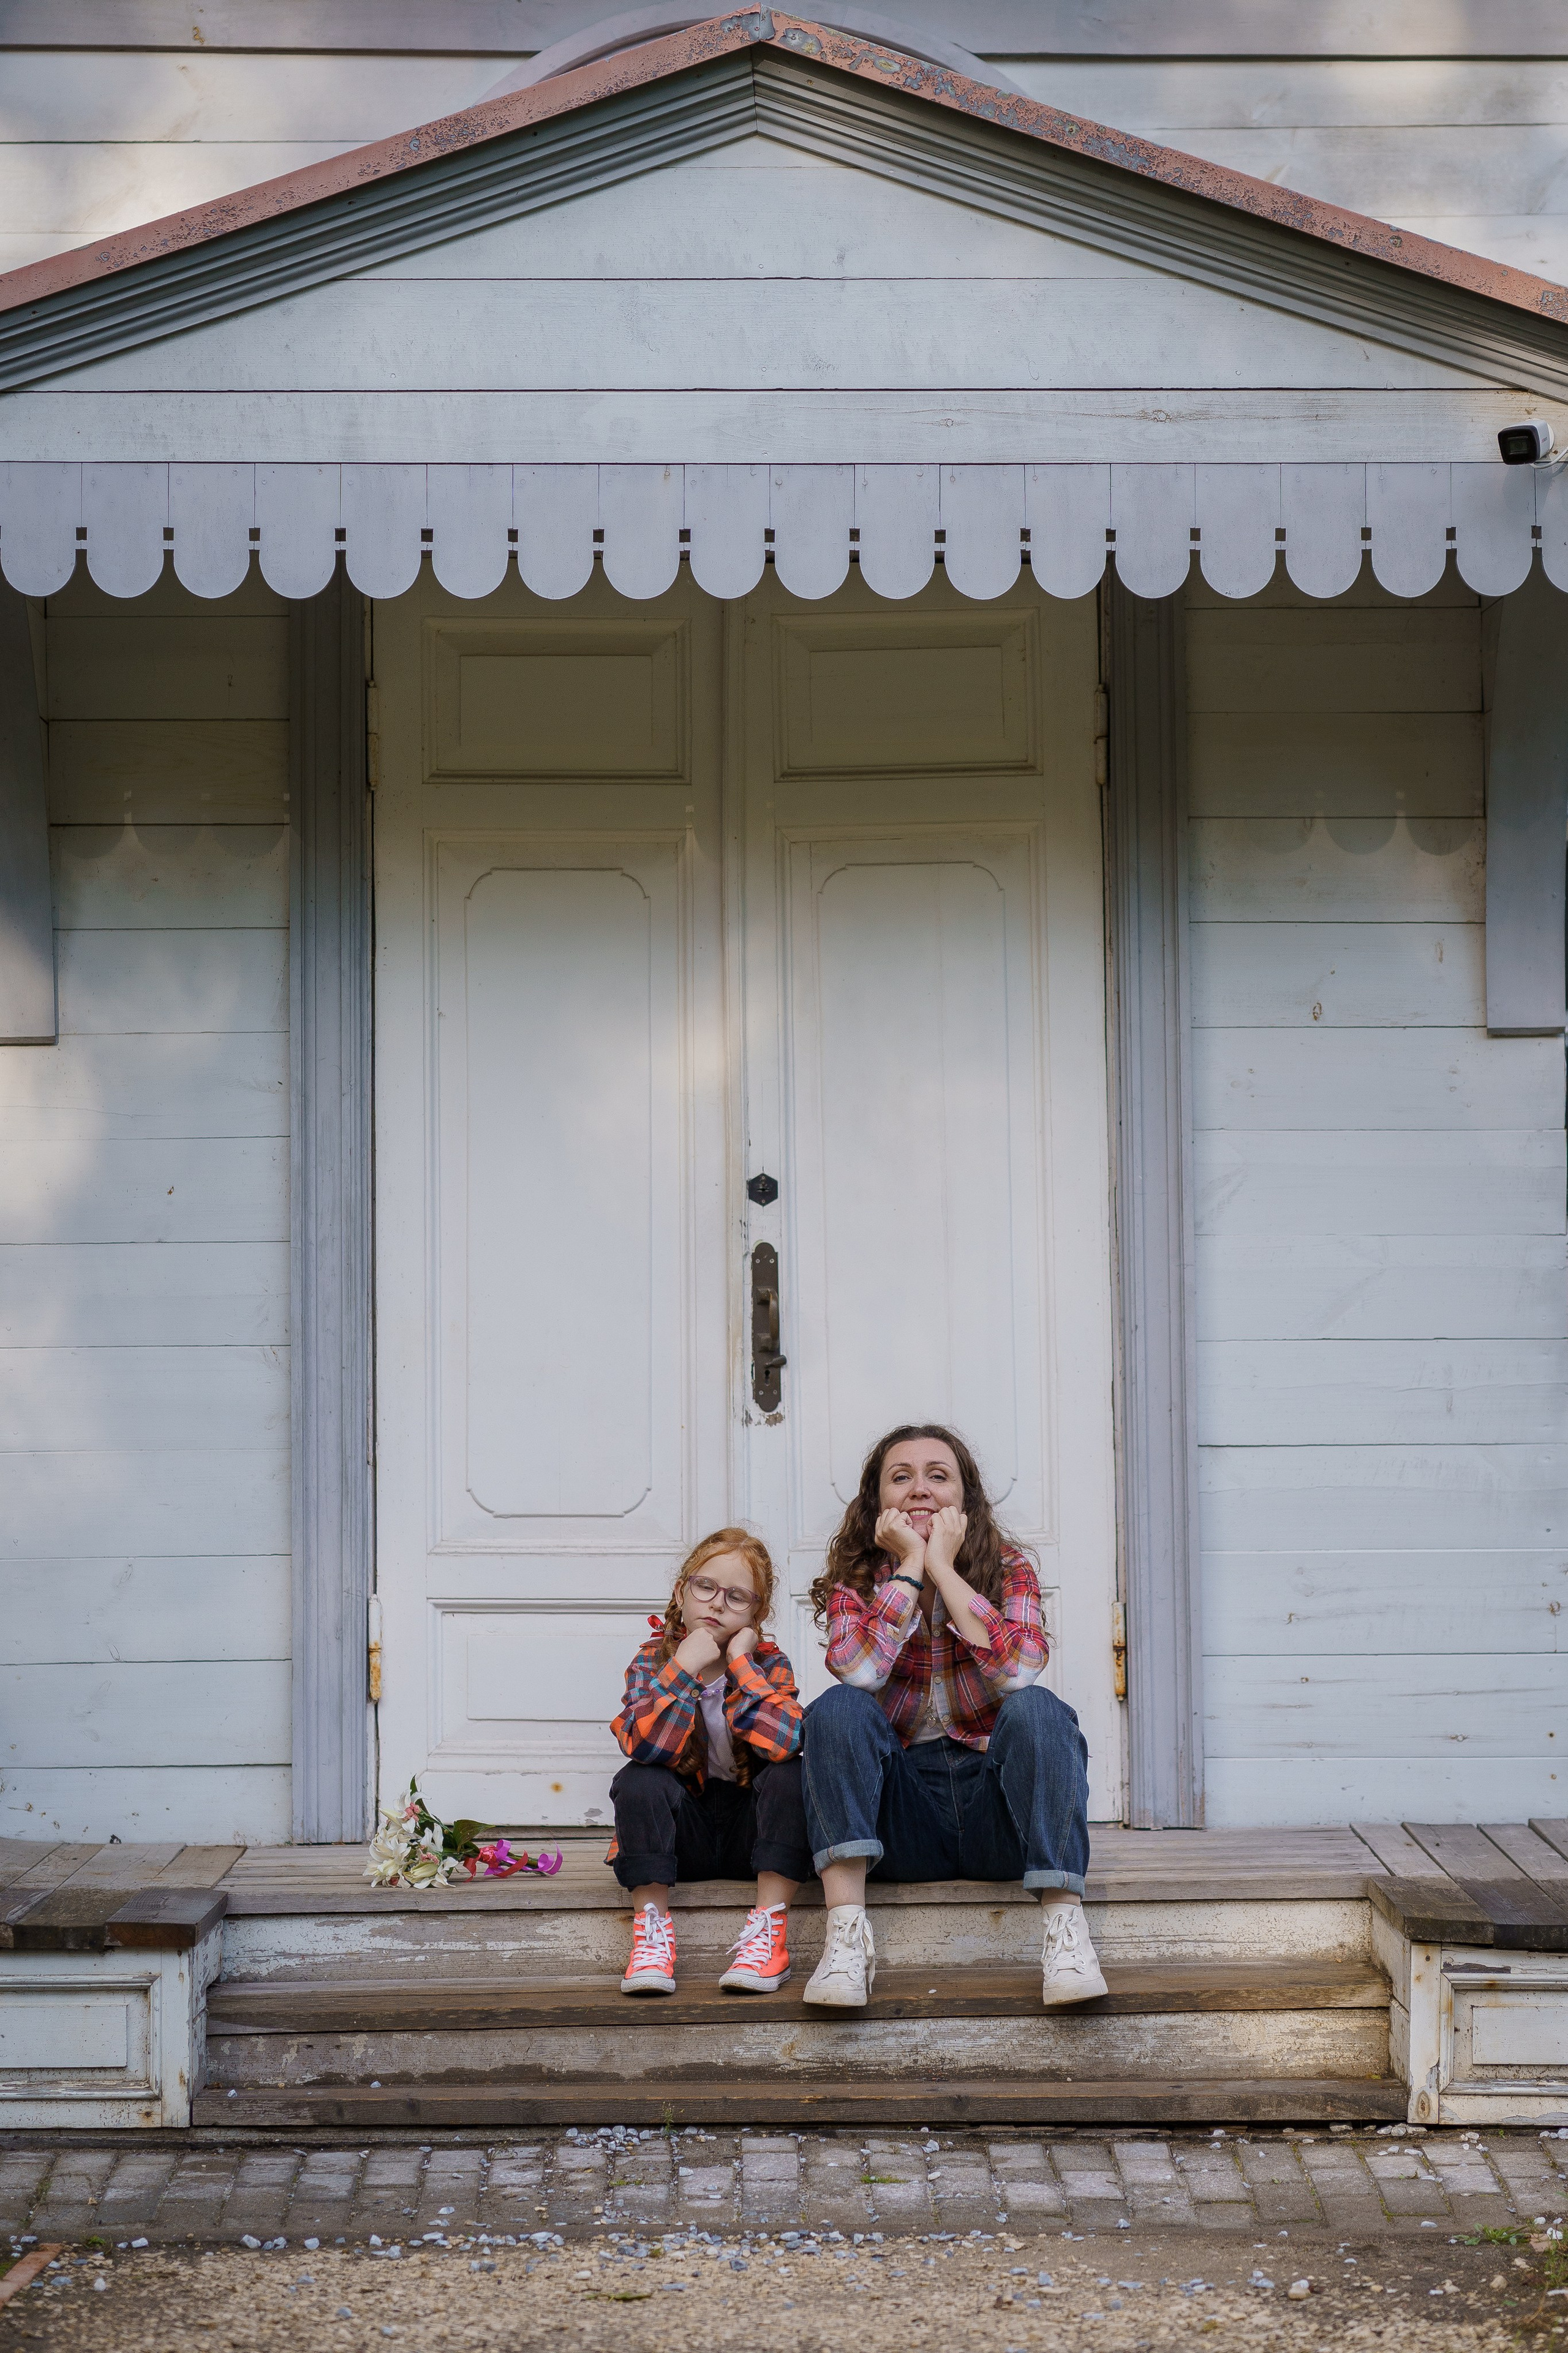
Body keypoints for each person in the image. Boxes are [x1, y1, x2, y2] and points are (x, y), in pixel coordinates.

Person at [799, 1424, 1105, 2012]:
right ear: (876, 1502)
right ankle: (845, 1941)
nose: (920, 1490)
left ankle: (1067, 1937)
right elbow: (859, 1672)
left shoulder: (1010, 1568)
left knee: (1040, 1709)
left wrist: (945, 1569)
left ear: (966, 1500)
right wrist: (911, 1568)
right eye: (901, 1477)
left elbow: (1019, 1671)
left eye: (938, 1476)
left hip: (998, 1815)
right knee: (837, 1707)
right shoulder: (858, 1582)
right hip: (901, 1821)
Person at [608, 1527, 812, 1996]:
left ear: (757, 1613)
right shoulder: (651, 1661)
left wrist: (741, 1665)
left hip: (751, 1836)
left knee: (793, 1773)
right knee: (638, 1779)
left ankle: (767, 1933)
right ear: (682, 1592)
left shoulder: (768, 1662)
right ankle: (652, 1935)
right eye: (706, 1587)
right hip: (685, 1839)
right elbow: (642, 1743)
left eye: (737, 1596)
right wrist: (683, 1668)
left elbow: (787, 1741)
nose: (717, 1604)